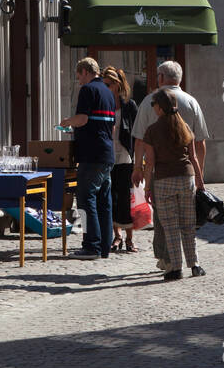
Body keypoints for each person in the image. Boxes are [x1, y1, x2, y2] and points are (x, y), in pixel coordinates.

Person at [133, 61, 209, 272]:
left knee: (166, 225)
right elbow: (199, 146)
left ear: (160, 78)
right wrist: (199, 178)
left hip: (162, 178)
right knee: (188, 225)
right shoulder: (191, 105)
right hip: (187, 177)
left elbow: (142, 145)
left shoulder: (149, 104)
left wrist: (139, 171)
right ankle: (194, 264)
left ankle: (170, 264)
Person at [59, 57, 116, 260]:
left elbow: (82, 119)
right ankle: (104, 247)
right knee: (104, 202)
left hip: (91, 155)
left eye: (79, 76)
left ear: (85, 71)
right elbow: (111, 126)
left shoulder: (88, 90)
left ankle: (91, 245)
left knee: (85, 200)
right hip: (107, 154)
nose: (79, 81)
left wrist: (68, 122)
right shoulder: (108, 92)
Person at [101, 66, 140, 254]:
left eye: (107, 84)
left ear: (116, 85)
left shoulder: (129, 105)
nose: (104, 87)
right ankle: (116, 236)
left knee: (126, 198)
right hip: (107, 157)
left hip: (125, 156)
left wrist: (139, 160)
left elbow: (138, 133)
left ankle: (130, 239)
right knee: (111, 198)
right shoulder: (103, 104)